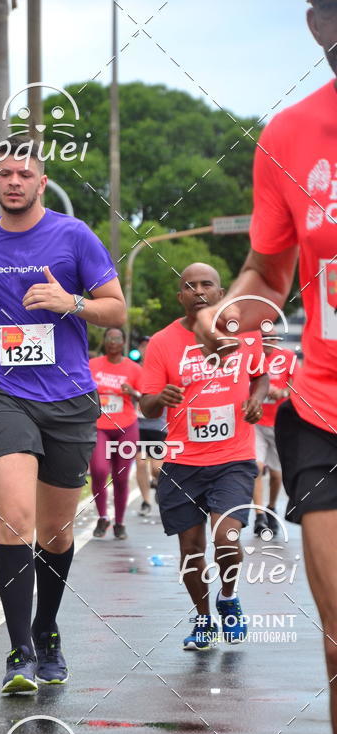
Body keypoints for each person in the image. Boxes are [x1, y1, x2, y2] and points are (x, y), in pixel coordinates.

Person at [194, 1, 337, 734]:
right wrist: (233, 313)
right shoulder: (287, 137)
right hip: (322, 412)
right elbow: (266, 273)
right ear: (319, 24)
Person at [0, 139, 126, 693]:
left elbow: (117, 307)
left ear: (41, 182)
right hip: (2, 393)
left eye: (24, 173)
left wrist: (69, 302)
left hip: (69, 398)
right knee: (13, 519)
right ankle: (19, 650)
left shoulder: (75, 237)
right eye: (4, 173)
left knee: (53, 530)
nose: (14, 181)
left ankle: (47, 630)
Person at [140, 263, 268, 650]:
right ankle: (202, 619)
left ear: (220, 291)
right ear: (180, 297)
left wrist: (256, 399)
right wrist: (160, 398)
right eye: (189, 286)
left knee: (226, 537)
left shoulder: (242, 331)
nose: (198, 290)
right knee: (191, 549)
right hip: (182, 462)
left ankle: (228, 596)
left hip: (233, 457)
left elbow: (260, 374)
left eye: (206, 284)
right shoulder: (162, 342)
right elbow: (146, 404)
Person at [89, 327, 142, 540]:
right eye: (109, 338)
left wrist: (134, 392)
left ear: (123, 342)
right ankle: (103, 517)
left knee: (120, 478)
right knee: (100, 470)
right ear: (104, 342)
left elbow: (145, 397)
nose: (113, 341)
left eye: (117, 338)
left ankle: (119, 523)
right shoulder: (92, 366)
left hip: (126, 427)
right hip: (99, 426)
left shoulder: (134, 369)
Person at [252, 332, 299, 537]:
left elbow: (299, 386)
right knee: (256, 467)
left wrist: (283, 392)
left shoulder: (288, 357)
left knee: (276, 473)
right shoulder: (251, 358)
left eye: (272, 338)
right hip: (256, 422)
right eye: (264, 338)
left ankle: (271, 508)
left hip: (280, 424)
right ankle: (259, 515)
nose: (269, 342)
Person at [135, 337, 166, 516]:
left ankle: (159, 485)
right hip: (136, 425)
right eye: (143, 346)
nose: (146, 349)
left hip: (157, 426)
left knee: (156, 468)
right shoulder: (134, 369)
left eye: (149, 346)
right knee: (140, 464)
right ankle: (146, 501)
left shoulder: (160, 369)